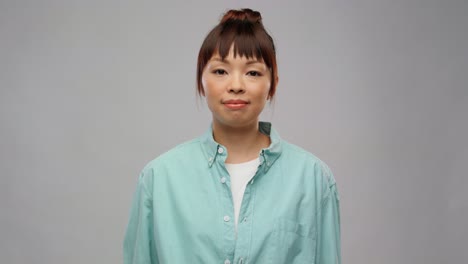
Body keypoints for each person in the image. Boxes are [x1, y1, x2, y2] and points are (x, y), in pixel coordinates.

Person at [124, 8, 341, 264]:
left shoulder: (314, 179)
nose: (236, 85)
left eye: (253, 72)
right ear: (200, 82)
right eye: (220, 71)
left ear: (273, 84)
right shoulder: (158, 179)